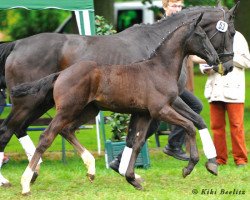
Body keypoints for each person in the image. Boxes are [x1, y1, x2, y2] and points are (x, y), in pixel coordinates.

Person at [200, 31, 249, 166]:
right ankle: (219, 159)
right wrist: (207, 68)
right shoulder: (210, 35)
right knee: (216, 127)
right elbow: (203, 61)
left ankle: (241, 160)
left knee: (237, 126)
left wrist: (227, 59)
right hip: (214, 90)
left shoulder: (238, 36)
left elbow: (247, 61)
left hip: (234, 90)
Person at [161, 0, 203, 161]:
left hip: (176, 85)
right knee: (150, 124)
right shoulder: (159, 28)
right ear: (165, 7)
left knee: (196, 106)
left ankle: (173, 144)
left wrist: (212, 60)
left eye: (180, 6)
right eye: (173, 6)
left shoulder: (182, 28)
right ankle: (173, 145)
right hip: (160, 86)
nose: (178, 9)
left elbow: (191, 55)